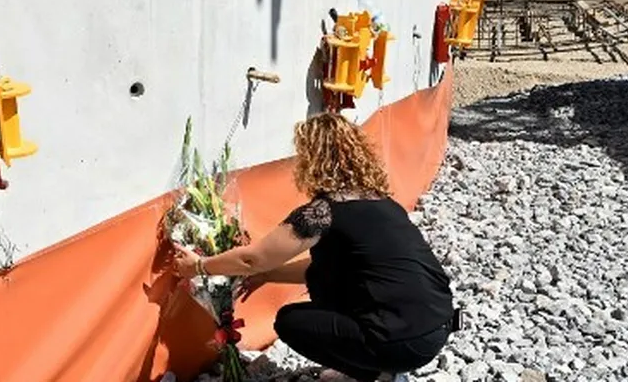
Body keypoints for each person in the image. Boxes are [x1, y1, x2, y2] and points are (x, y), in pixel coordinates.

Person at [173, 112, 455, 382]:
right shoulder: (382, 202)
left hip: (401, 342)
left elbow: (252, 259)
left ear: (312, 159)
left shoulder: (324, 211)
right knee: (329, 279)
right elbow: (330, 266)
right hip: (439, 327)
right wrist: (268, 275)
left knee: (290, 322)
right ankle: (383, 364)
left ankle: (375, 373)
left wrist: (198, 266)